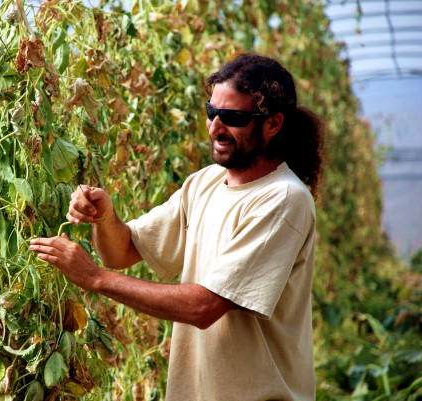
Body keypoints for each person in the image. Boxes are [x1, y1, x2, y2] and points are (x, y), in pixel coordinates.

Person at [29, 53, 324, 401]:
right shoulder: (205, 183)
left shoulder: (284, 199)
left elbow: (204, 307)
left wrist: (94, 279)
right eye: (211, 112)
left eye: (231, 117)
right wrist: (104, 218)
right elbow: (122, 251)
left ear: (273, 124)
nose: (214, 128)